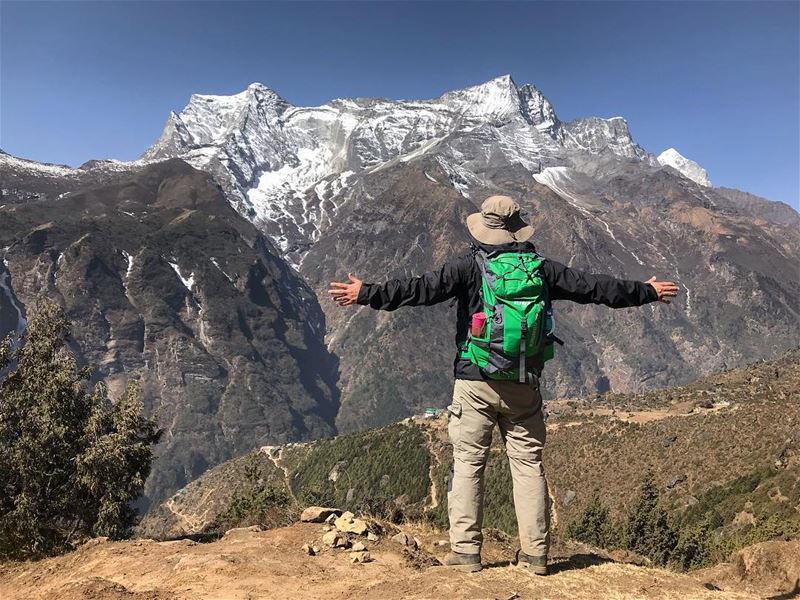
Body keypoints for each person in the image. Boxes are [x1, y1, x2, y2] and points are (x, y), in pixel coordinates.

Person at [328, 195, 678, 575]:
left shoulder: (468, 266)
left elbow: (418, 290)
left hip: (475, 381)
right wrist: (647, 291)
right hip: (523, 383)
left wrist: (367, 293)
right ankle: (536, 556)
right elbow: (596, 288)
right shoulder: (542, 269)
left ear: (483, 228)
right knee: (528, 465)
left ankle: (466, 552)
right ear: (516, 229)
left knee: (468, 464)